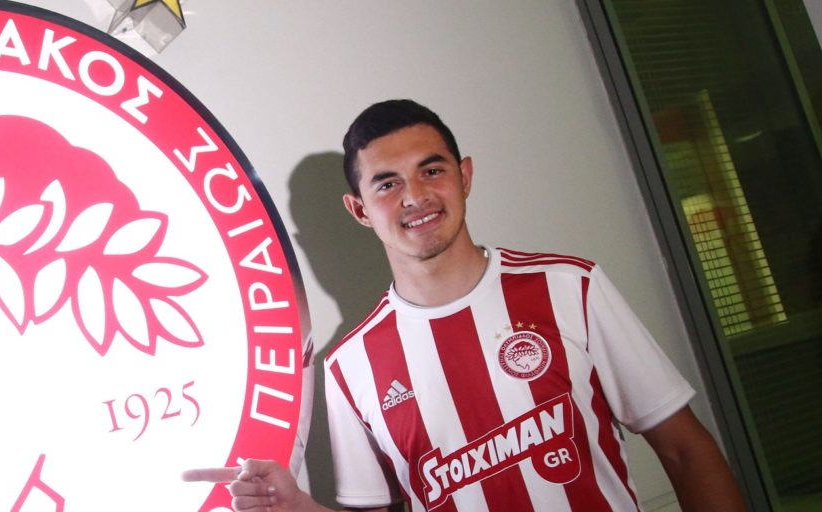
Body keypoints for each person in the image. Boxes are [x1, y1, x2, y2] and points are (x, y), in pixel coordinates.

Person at [184, 99, 746, 511]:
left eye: (432, 170)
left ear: (465, 176)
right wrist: (300, 507)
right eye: (387, 184)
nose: (415, 196)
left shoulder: (569, 287)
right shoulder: (350, 368)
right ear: (359, 210)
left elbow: (686, 452)